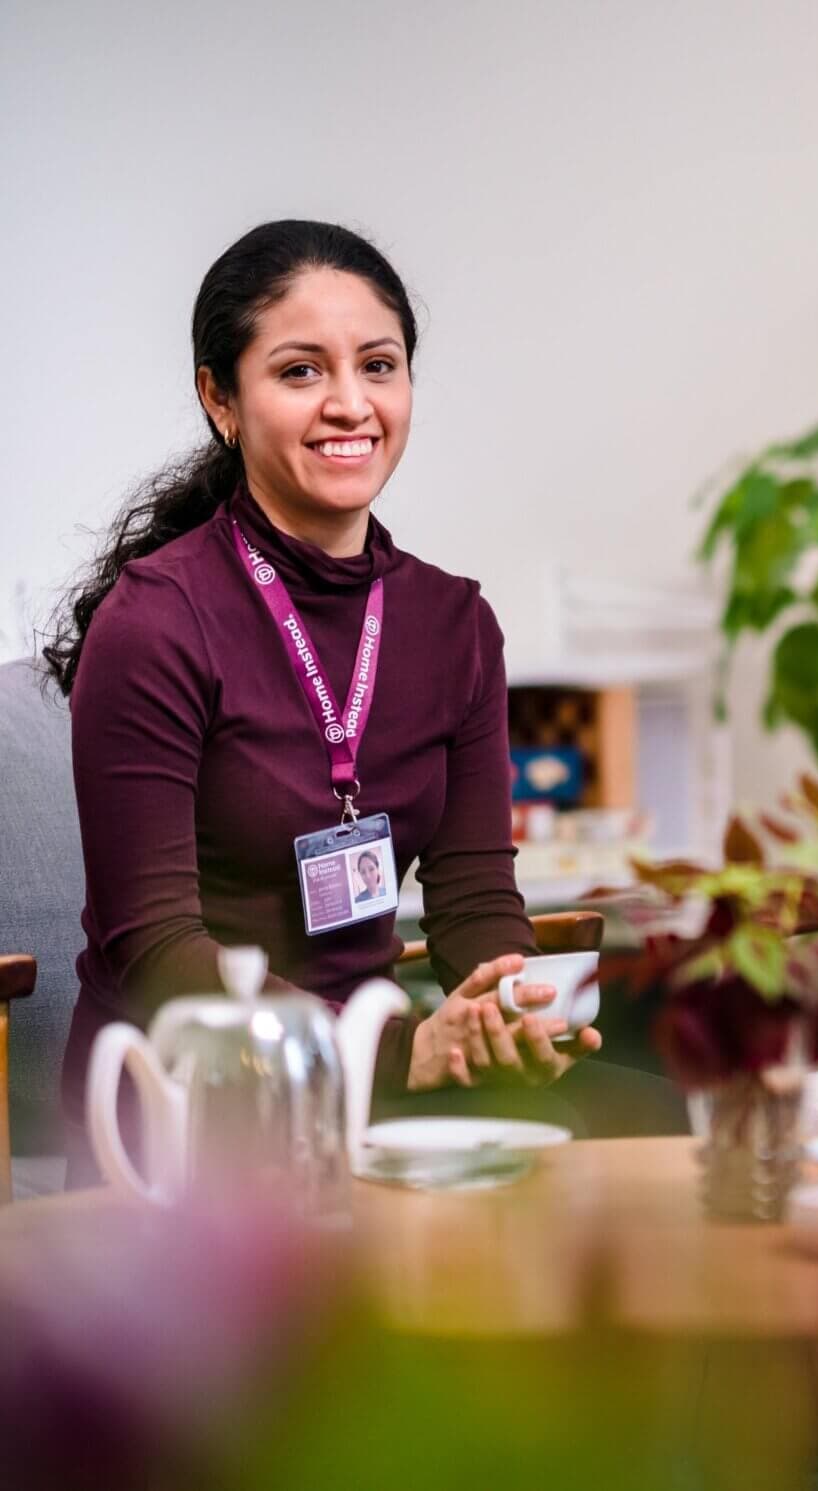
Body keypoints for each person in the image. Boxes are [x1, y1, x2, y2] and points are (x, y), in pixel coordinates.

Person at [47, 219, 628, 1184]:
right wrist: (398, 1051)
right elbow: (153, 946)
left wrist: (503, 1007)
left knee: (636, 1123)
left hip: (381, 1076)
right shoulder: (156, 622)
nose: (351, 403)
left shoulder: (455, 623)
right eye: (301, 371)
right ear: (220, 399)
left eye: (379, 364)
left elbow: (478, 898)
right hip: (198, 1098)